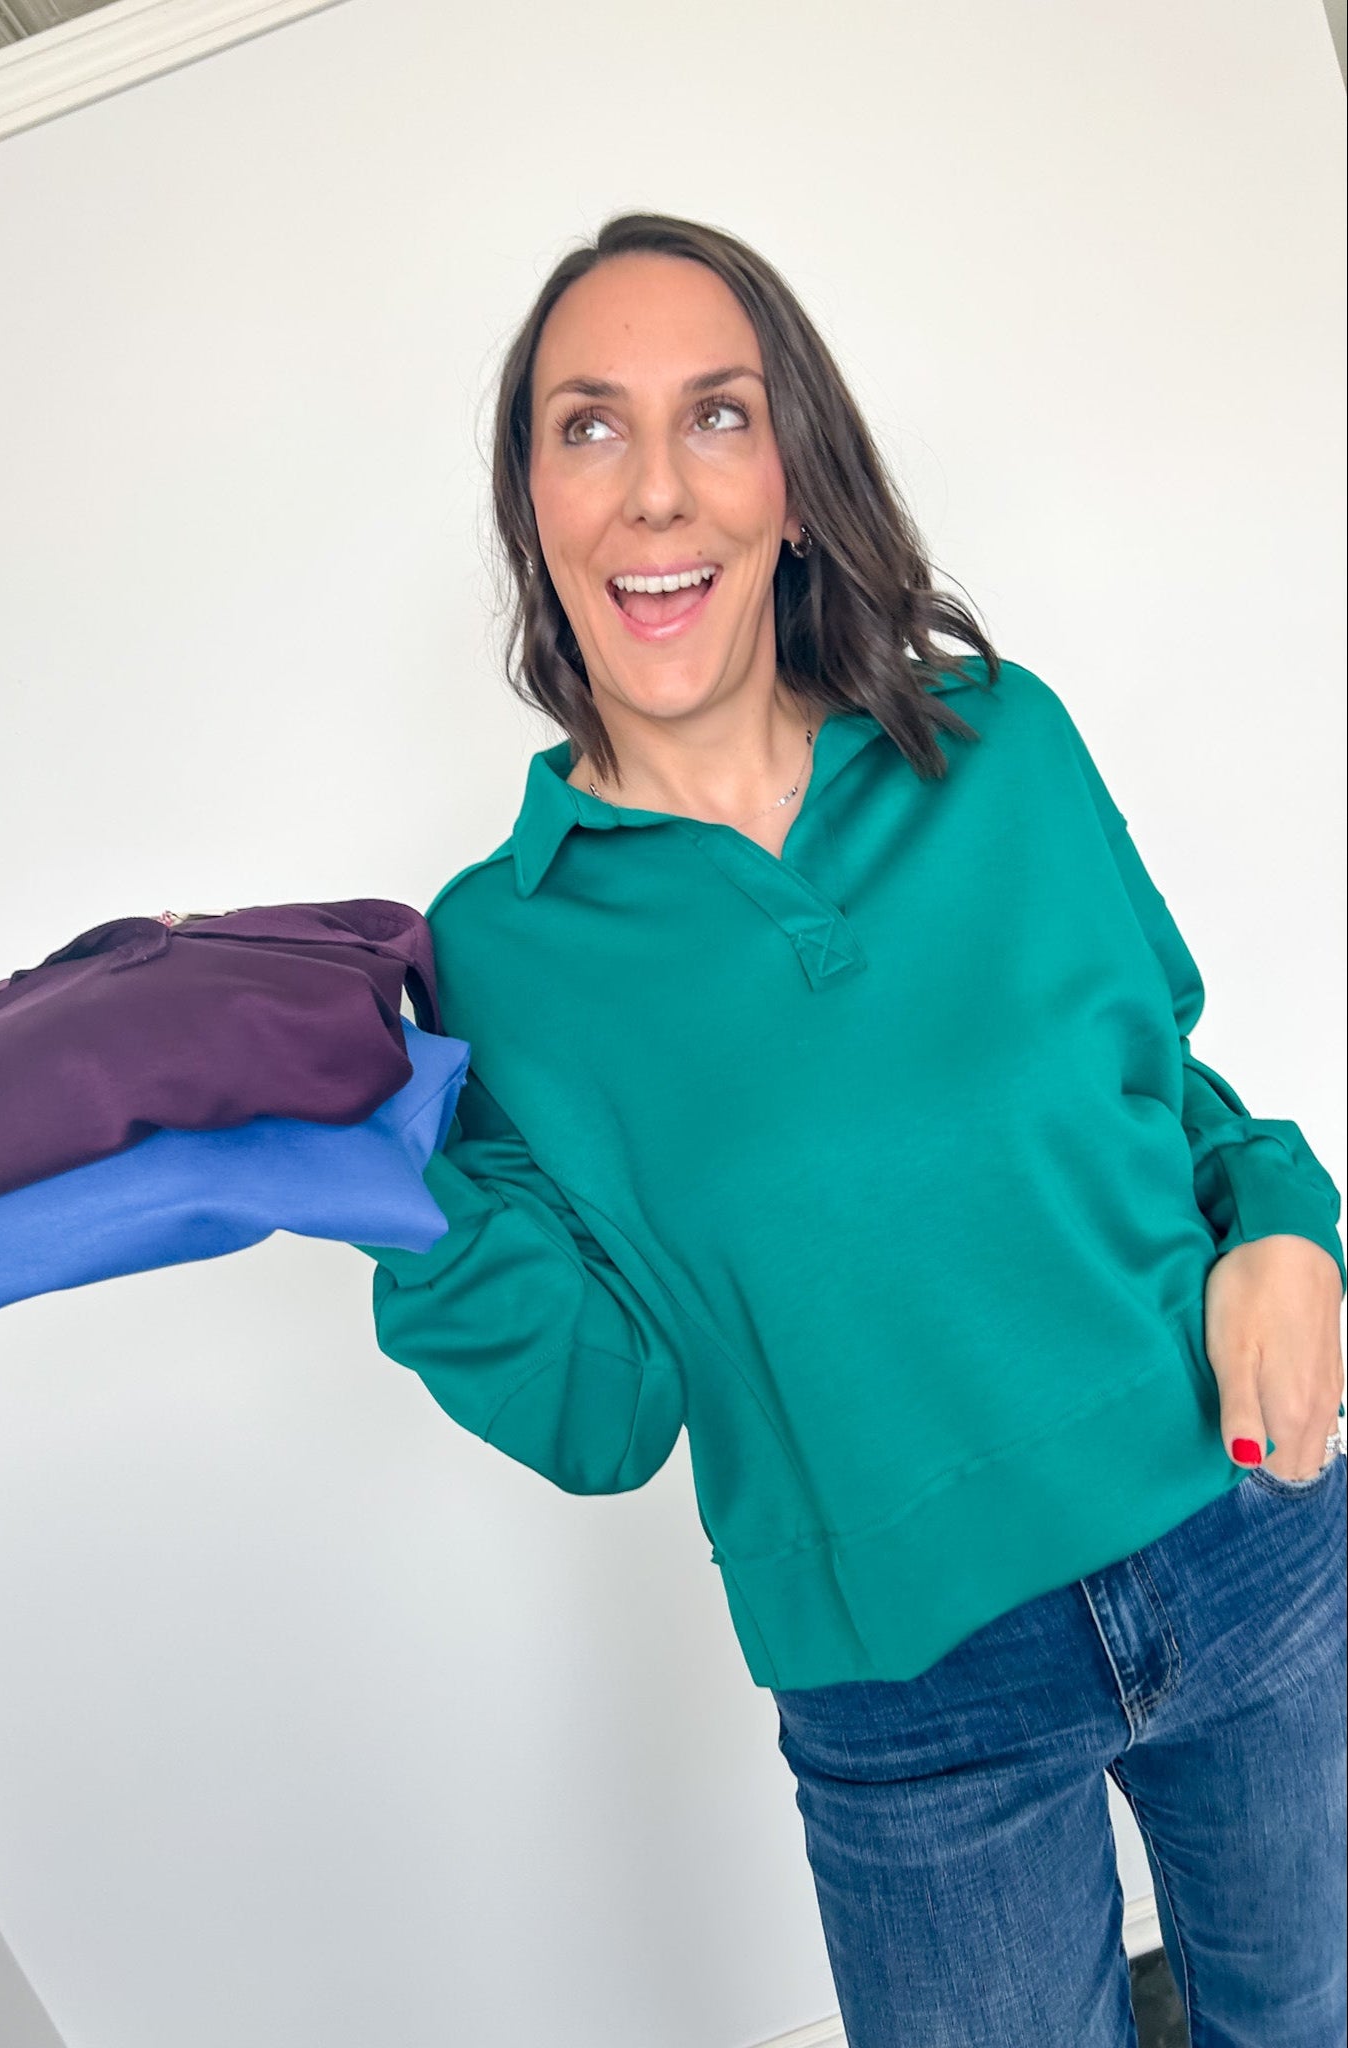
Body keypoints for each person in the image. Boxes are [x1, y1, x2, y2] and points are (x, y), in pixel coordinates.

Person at [353, 212, 1347, 2046]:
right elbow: (603, 1411)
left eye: (716, 417)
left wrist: (1294, 1225)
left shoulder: (1000, 743)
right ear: (532, 511)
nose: (654, 489)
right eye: (587, 427)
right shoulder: (494, 949)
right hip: (914, 1703)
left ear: (795, 480)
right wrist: (387, 1197)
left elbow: (1172, 1102)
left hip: (1252, 1534)